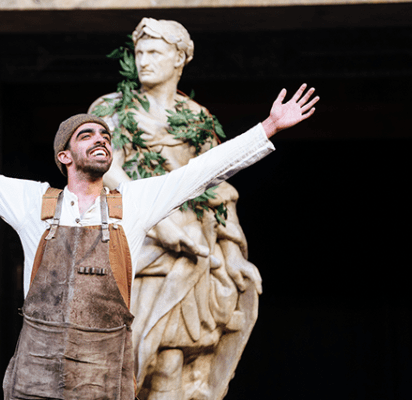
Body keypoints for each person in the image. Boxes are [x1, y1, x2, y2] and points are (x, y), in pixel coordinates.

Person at [0, 80, 318, 399]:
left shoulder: (133, 202)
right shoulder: (32, 201)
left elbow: (204, 171)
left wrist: (269, 127)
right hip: (35, 378)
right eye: (87, 135)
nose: (100, 139)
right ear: (65, 155)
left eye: (105, 135)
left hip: (104, 381)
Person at [88, 18, 274, 399]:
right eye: (139, 52)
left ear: (179, 59)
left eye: (154, 52)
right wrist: (157, 217)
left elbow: (217, 186)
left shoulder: (197, 118)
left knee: (177, 357)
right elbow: (103, 166)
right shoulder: (110, 109)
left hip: (192, 246)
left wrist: (234, 252)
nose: (144, 60)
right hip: (139, 242)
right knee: (131, 354)